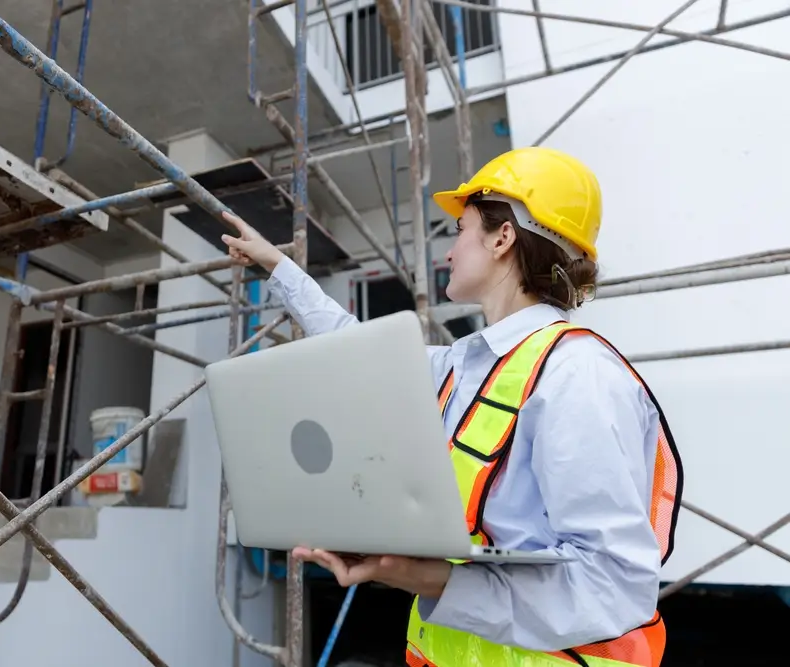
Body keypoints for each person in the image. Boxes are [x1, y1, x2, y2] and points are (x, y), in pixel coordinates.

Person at [220, 146, 683, 667]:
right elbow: (351, 343)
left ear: (502, 237)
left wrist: (429, 578)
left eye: (461, 230)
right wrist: (276, 265)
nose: (449, 251)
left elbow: (612, 584)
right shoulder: (463, 365)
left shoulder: (577, 375)